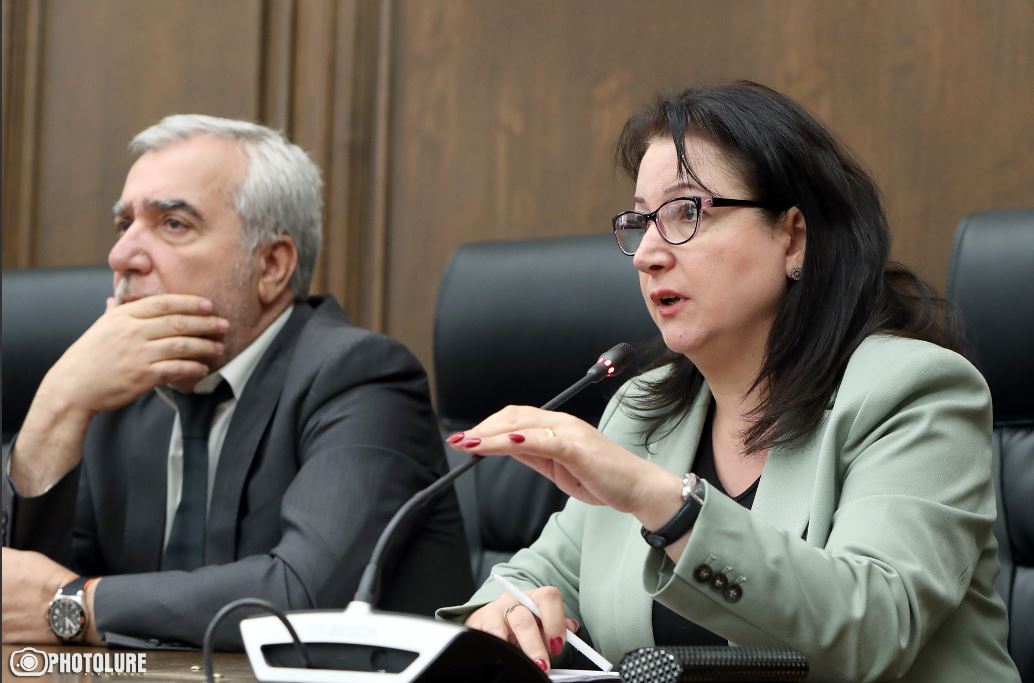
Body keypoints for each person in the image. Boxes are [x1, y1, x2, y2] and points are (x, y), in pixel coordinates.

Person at [437, 82, 1020, 682]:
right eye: (641, 221)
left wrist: (662, 503)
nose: (647, 254)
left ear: (793, 237)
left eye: (686, 212)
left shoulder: (916, 391)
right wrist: (506, 614)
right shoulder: (643, 410)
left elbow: (870, 629)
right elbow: (535, 578)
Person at [1, 115, 472, 648]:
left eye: (172, 223)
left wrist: (78, 605)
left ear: (271, 265)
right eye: (124, 224)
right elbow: (22, 602)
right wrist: (58, 402)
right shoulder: (116, 388)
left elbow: (302, 597)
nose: (121, 256)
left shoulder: (361, 377)